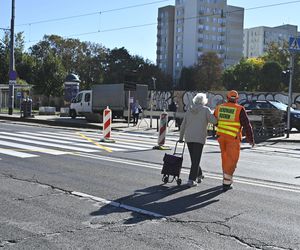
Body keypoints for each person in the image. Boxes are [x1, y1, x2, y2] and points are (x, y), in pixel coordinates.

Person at [214, 90, 255, 192]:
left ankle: (226, 178)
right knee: (232, 160)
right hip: (232, 138)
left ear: (227, 98)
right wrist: (251, 139)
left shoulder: (220, 107)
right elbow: (246, 125)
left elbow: (214, 121)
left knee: (225, 157)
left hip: (221, 137)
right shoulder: (239, 109)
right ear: (237, 99)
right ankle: (226, 183)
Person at [179, 93, 217, 187]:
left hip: (189, 137)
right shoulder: (206, 110)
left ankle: (199, 175)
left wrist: (180, 137)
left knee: (194, 159)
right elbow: (214, 121)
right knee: (196, 160)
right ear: (204, 101)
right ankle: (191, 180)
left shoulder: (189, 110)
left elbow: (183, 125)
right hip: (199, 138)